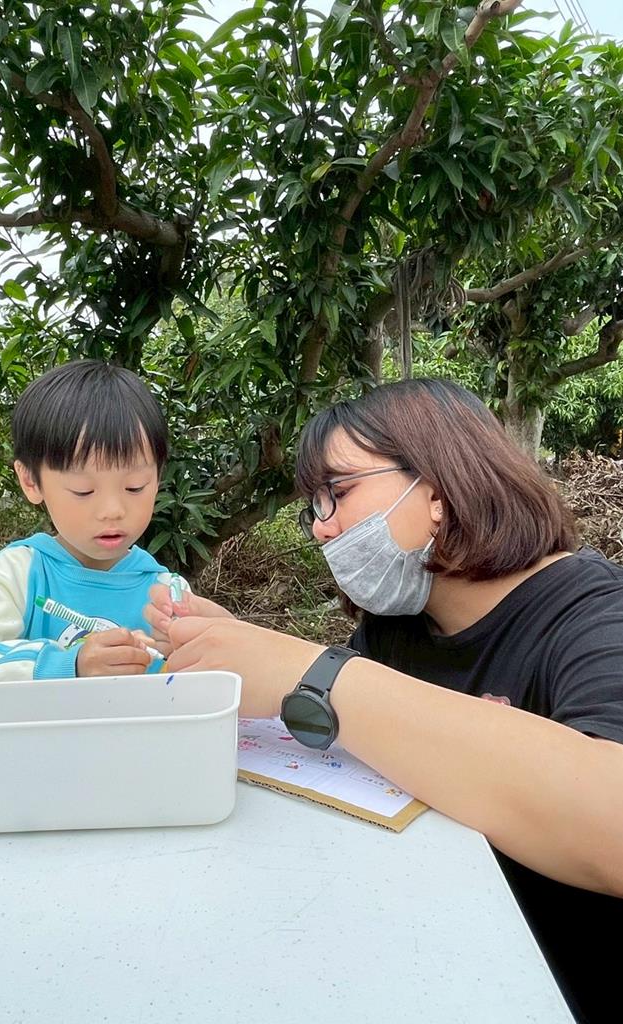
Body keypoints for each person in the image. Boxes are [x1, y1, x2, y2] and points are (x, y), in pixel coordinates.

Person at [145, 378, 623, 1024]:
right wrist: (243, 654)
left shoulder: (594, 614)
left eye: (338, 493)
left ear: (438, 488)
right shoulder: (396, 630)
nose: (322, 529)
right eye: (314, 506)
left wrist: (316, 675)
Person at [0, 360, 183, 688]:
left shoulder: (167, 593)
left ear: (158, 477)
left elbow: (208, 687)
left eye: (135, 487)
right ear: (31, 481)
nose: (112, 511)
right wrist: (67, 664)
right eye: (83, 490)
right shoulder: (20, 574)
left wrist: (181, 658)